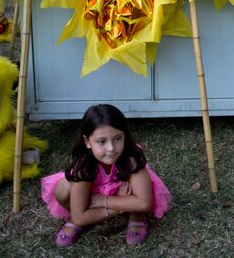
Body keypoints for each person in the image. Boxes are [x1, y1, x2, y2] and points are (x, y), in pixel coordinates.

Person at [41, 104, 172, 248]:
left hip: (123, 189)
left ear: (125, 135)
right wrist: (121, 205)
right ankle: (123, 207)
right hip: (101, 194)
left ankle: (136, 214)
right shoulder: (83, 165)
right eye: (102, 141)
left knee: (137, 194)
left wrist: (103, 200)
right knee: (63, 188)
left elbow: (143, 203)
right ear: (87, 142)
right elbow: (79, 217)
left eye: (117, 138)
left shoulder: (131, 158)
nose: (111, 148)